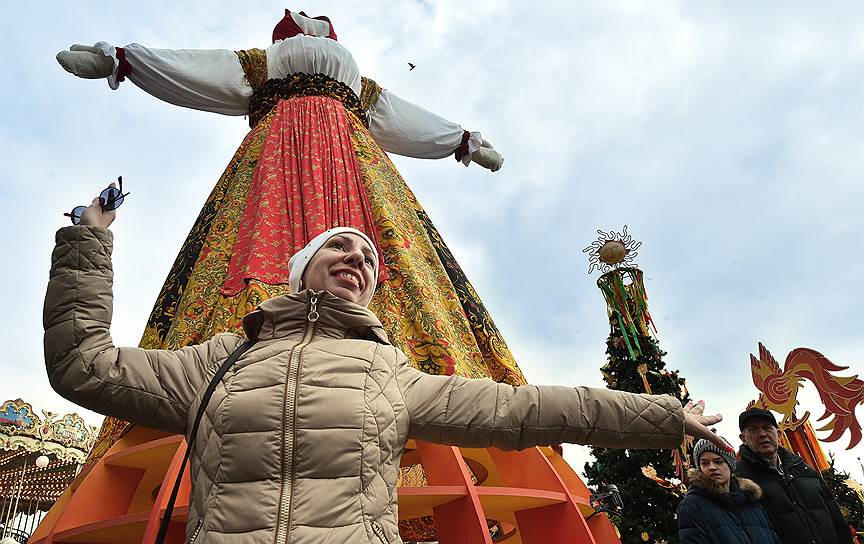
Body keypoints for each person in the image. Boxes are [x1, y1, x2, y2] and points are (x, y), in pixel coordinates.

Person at [44, 194, 727, 544]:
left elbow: (526, 411)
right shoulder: (220, 360)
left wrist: (665, 416)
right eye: (337, 247)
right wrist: (88, 242)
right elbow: (84, 366)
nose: (355, 257)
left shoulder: (388, 375)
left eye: (367, 256)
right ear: (301, 270)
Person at [55, 10, 526, 466]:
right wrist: (123, 59)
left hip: (350, 165)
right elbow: (198, 69)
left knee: (368, 248)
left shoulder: (359, 89)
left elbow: (401, 117)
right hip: (279, 163)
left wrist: (463, 141)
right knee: (265, 244)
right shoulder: (262, 65)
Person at [735, 407, 853, 544]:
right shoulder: (740, 479)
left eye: (767, 428)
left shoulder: (805, 471)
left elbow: (837, 520)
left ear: (778, 434)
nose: (762, 434)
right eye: (753, 429)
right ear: (743, 438)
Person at [677, 438, 781, 544]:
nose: (712, 467)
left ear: (730, 464)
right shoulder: (691, 506)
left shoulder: (751, 499)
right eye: (704, 463)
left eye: (718, 461)